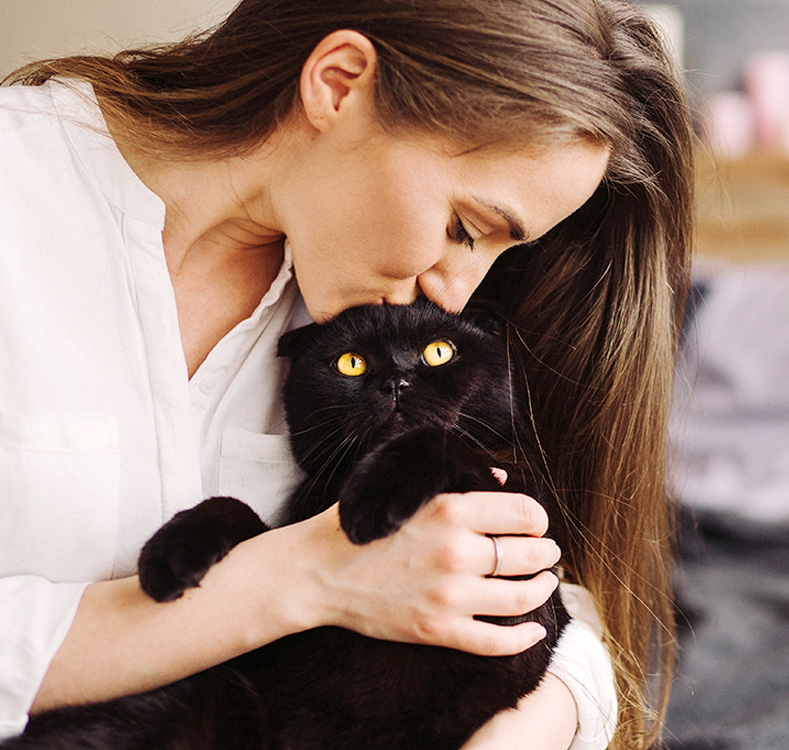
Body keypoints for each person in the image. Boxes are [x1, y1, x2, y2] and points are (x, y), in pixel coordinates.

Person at [0, 0, 693, 748]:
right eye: (464, 227)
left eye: (496, 251)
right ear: (338, 84)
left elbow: (537, 579)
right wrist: (304, 578)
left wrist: (542, 719)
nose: (454, 292)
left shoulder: (378, 301)